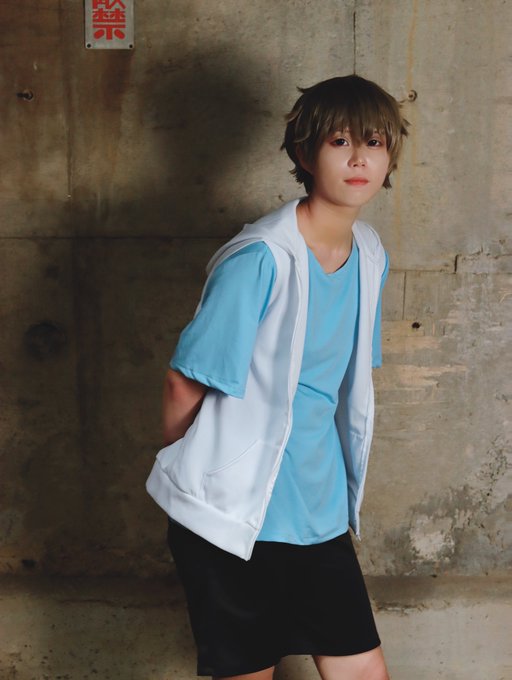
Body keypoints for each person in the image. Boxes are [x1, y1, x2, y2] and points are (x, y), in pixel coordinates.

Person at [146, 74, 409, 680]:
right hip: (233, 516)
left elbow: (338, 385)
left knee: (362, 670)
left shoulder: (370, 253)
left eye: (373, 142)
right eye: (340, 141)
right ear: (304, 153)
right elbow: (184, 382)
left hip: (318, 514)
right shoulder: (259, 257)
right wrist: (195, 469)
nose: (359, 158)